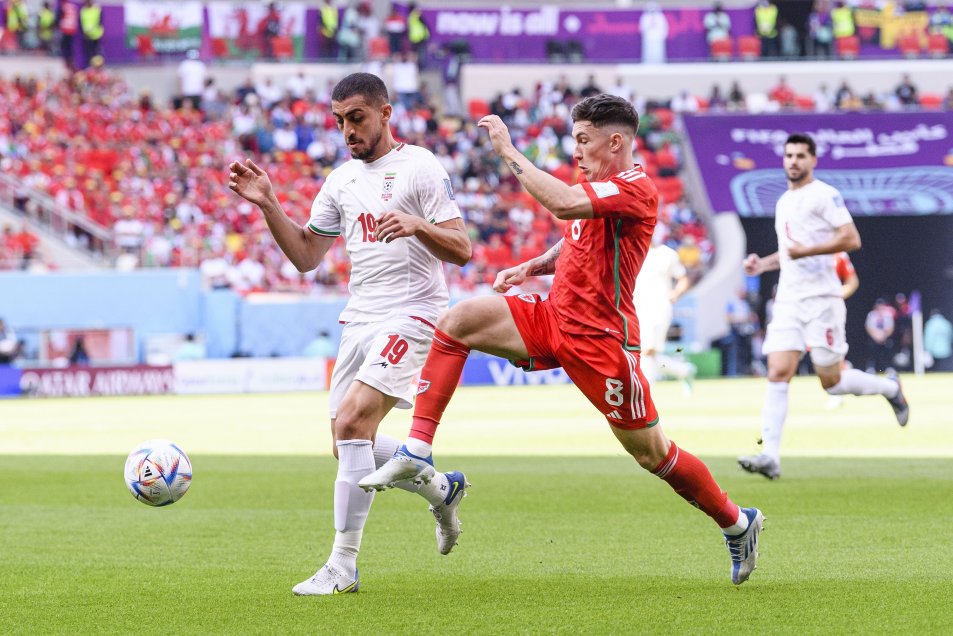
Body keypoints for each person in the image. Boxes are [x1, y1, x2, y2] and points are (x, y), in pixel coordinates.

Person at [362, 94, 765, 586]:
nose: (574, 150)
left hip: (602, 344)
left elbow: (560, 203)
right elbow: (576, 230)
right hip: (555, 317)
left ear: (614, 141)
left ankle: (737, 522)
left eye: (582, 139)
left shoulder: (636, 188)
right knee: (459, 321)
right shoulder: (596, 183)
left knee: (651, 454)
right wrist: (534, 265)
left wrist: (508, 150)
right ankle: (418, 451)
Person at [228, 72, 472, 596]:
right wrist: (269, 203)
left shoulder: (420, 166)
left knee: (357, 418)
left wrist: (416, 224)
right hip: (360, 318)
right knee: (346, 442)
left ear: (385, 113)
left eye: (356, 118)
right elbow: (306, 257)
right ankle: (440, 488)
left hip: (414, 312)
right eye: (339, 121)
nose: (347, 131)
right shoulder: (340, 180)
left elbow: (461, 247)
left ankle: (342, 566)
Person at [738, 133, 908, 481]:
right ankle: (770, 454)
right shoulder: (784, 200)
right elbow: (789, 253)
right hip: (788, 299)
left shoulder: (824, 194)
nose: (794, 161)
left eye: (801, 155)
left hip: (822, 300)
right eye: (789, 155)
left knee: (830, 382)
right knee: (777, 371)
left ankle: (890, 387)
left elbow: (851, 239)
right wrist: (762, 265)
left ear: (813, 160)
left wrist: (808, 251)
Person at [633, 225, 694, 391]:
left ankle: (646, 394)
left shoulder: (667, 254)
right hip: (636, 307)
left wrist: (675, 293)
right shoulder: (633, 252)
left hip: (659, 307)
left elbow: (683, 278)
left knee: (647, 350)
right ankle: (683, 370)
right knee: (644, 352)